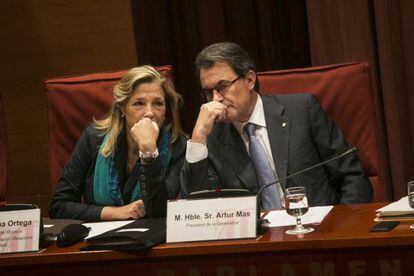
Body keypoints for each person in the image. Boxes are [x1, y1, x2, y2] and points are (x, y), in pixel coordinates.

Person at [181, 42, 373, 209]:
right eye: (208, 92)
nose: (216, 99)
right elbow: (197, 206)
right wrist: (198, 137)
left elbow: (352, 176)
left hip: (318, 234)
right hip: (256, 244)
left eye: (223, 86)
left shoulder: (302, 111)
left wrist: (340, 232)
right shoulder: (212, 137)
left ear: (249, 80)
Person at [49, 65, 186, 221]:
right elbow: (59, 206)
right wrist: (118, 212)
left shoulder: (177, 146)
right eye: (138, 103)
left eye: (158, 104)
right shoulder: (94, 138)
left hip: (150, 240)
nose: (149, 113)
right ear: (122, 108)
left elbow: (158, 211)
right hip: (97, 239)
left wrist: (148, 152)